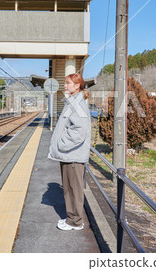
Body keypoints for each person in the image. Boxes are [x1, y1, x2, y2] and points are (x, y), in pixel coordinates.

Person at [48, 73, 91, 231]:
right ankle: (71, 219)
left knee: (74, 189)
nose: (65, 86)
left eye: (68, 83)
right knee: (69, 188)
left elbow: (80, 130)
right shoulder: (74, 102)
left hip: (73, 155)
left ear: (77, 85)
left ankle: (75, 222)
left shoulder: (77, 104)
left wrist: (62, 144)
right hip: (70, 154)